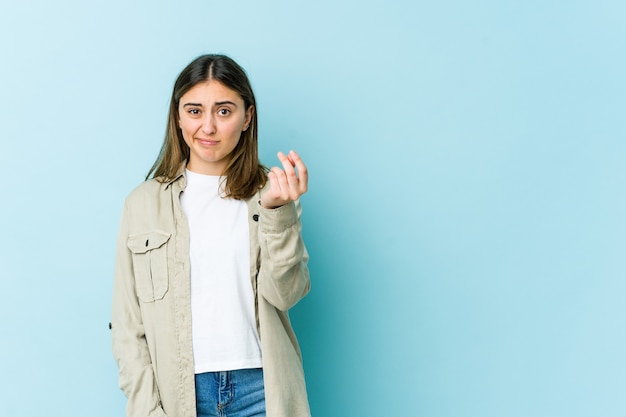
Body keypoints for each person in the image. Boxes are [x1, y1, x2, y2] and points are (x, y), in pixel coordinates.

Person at [111, 54, 311, 417]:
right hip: (179, 395)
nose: (207, 127)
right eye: (194, 110)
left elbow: (286, 294)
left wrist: (277, 213)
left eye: (223, 111)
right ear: (177, 116)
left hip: (261, 391)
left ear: (247, 116)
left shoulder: (271, 192)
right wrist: (146, 409)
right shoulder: (142, 205)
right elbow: (127, 326)